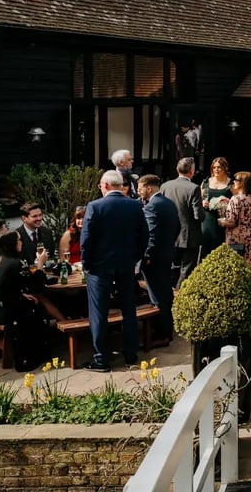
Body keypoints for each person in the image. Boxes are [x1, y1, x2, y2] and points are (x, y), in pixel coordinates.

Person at [80, 169, 150, 372]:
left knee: (98, 312)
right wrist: (134, 258)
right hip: (126, 265)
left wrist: (86, 263)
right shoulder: (135, 206)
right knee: (129, 309)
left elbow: (86, 239)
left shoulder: (95, 206)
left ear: (105, 186)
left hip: (99, 267)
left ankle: (101, 358)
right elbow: (144, 236)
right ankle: (130, 354)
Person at [0, 229, 65, 371]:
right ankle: (35, 355)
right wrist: (40, 263)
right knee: (37, 307)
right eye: (19, 240)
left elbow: (5, 287)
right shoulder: (15, 263)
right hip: (7, 313)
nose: (21, 243)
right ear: (12, 244)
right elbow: (36, 286)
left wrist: (21, 295)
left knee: (32, 301)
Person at [138, 175, 180, 346]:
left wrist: (146, 256)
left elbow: (151, 235)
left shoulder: (152, 207)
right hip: (167, 254)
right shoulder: (169, 203)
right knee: (166, 294)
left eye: (140, 188)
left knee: (157, 296)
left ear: (149, 188)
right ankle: (167, 330)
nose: (139, 192)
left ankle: (161, 334)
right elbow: (177, 227)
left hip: (155, 259)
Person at [161, 157, 204, 286]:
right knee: (187, 269)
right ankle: (181, 295)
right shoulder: (194, 188)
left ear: (177, 169)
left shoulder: (165, 186)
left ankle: (169, 293)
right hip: (188, 235)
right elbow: (198, 216)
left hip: (170, 234)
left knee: (172, 266)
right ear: (192, 171)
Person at [217, 171, 251, 266]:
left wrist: (220, 221)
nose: (234, 182)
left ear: (242, 183)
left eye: (236, 180)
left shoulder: (235, 199)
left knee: (235, 266)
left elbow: (231, 222)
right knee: (248, 265)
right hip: (249, 236)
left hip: (236, 238)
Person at [199, 157, 234, 260]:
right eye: (214, 167)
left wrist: (227, 203)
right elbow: (198, 199)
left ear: (225, 168)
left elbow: (236, 201)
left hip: (223, 218)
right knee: (206, 244)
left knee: (220, 245)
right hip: (208, 217)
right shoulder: (206, 182)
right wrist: (202, 203)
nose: (216, 170)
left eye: (219, 167)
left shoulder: (231, 184)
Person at [15, 202, 57, 267]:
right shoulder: (16, 236)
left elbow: (51, 256)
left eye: (40, 215)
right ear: (24, 218)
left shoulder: (47, 232)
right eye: (35, 216)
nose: (39, 218)